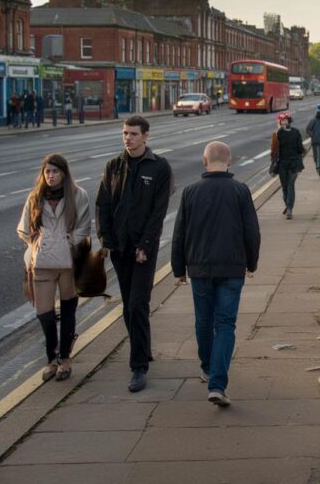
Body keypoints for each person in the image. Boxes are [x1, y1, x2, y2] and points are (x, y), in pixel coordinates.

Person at [172, 141, 260, 407]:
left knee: (203, 321)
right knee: (225, 325)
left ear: (204, 160)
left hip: (199, 268)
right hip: (232, 268)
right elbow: (252, 232)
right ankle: (218, 385)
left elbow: (180, 234)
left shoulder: (190, 192)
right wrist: (251, 263)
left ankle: (207, 366)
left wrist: (178, 269)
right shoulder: (241, 191)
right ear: (230, 161)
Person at [96, 115, 174, 392]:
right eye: (125, 133)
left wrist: (146, 244)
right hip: (120, 247)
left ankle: (138, 366)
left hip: (144, 248)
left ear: (146, 136)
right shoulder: (114, 167)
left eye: (133, 134)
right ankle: (144, 348)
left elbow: (159, 210)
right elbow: (103, 204)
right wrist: (105, 239)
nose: (128, 138)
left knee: (137, 304)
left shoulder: (159, 167)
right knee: (128, 304)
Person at [17, 154, 92, 382]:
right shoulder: (35, 197)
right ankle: (51, 358)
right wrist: (37, 245)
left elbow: (84, 226)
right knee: (45, 314)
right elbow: (23, 229)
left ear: (64, 173)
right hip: (42, 264)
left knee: (68, 311)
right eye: (47, 171)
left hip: (68, 263)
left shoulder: (78, 195)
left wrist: (67, 241)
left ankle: (65, 359)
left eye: (55, 171)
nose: (50, 175)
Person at [270, 112, 303, 219]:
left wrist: (273, 165)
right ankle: (289, 208)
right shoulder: (296, 132)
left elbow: (274, 151)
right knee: (290, 186)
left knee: (285, 187)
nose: (283, 123)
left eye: (283, 121)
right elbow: (300, 149)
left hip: (283, 164)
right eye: (282, 121)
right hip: (294, 163)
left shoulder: (278, 134)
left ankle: (288, 206)